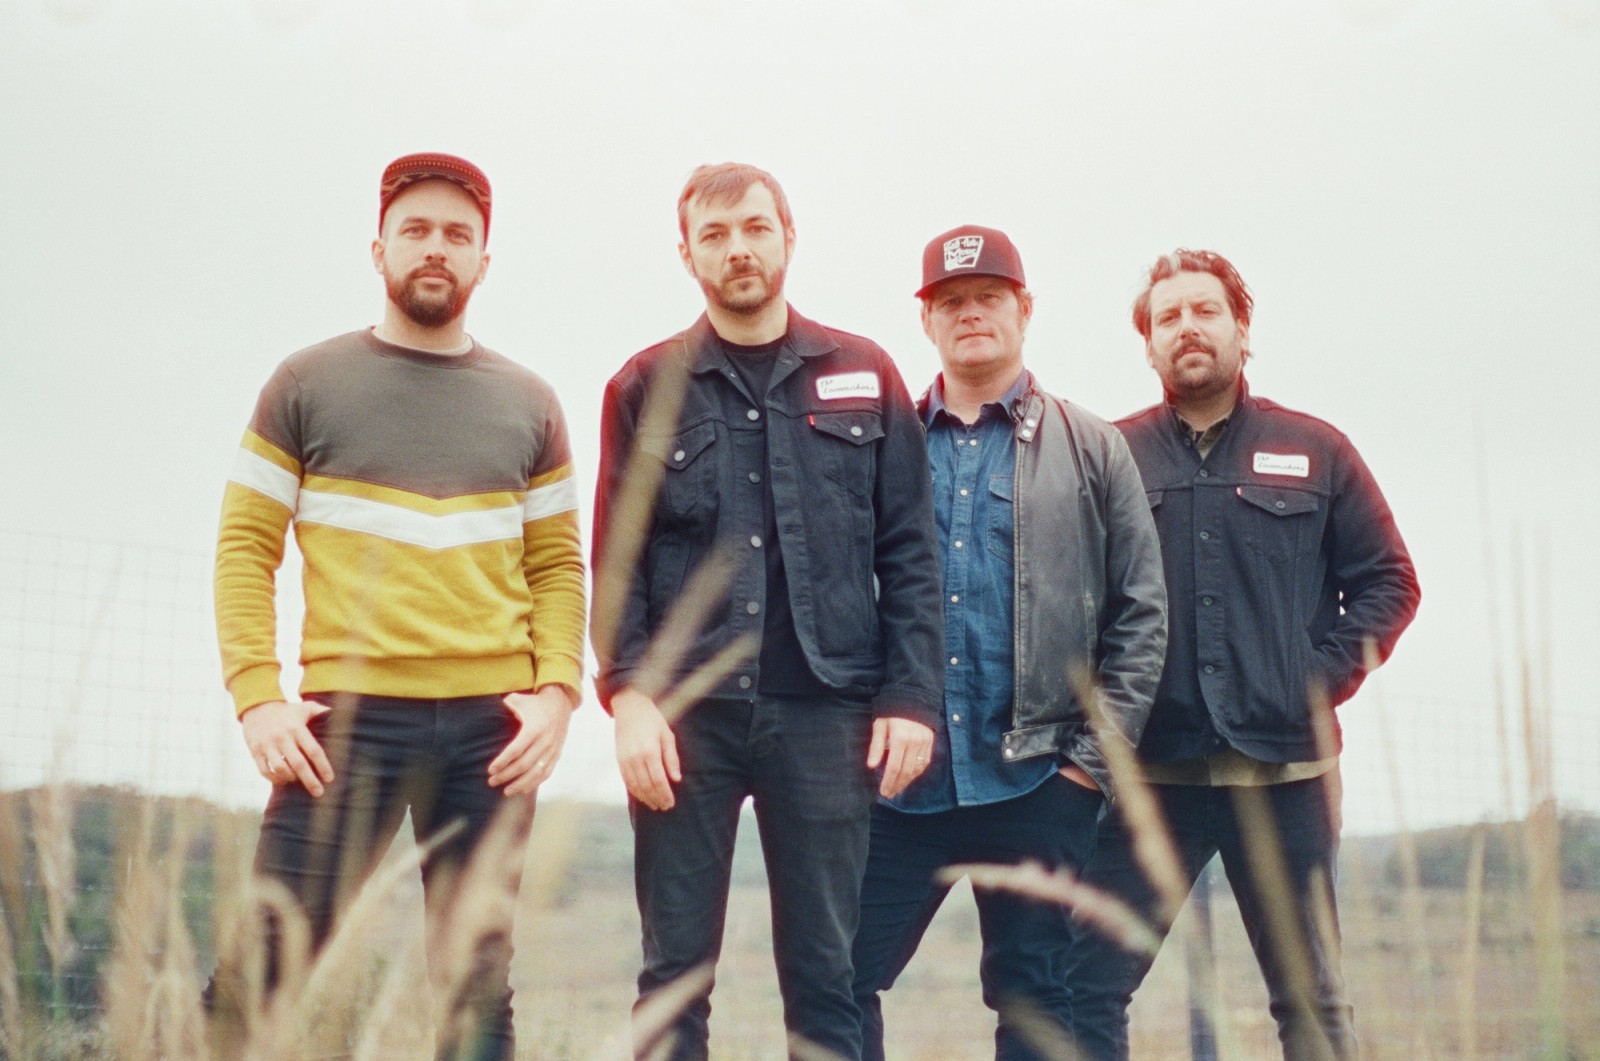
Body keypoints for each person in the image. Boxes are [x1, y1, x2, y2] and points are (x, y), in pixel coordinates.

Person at [210, 152, 585, 1061]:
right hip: (342, 725)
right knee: (257, 976)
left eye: (459, 236)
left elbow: (559, 565)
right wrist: (258, 695)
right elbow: (245, 547)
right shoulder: (305, 383)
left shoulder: (530, 403)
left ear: (483, 263)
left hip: (490, 733)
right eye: (416, 229)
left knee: (472, 995)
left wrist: (556, 693)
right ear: (378, 247)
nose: (436, 248)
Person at [591, 162, 943, 1061]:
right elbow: (615, 563)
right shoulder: (644, 386)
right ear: (686, 254)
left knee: (828, 978)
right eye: (714, 235)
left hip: (829, 715)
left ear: (790, 234)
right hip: (684, 722)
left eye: (754, 227)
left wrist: (910, 697)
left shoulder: (866, 373)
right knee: (674, 976)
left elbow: (909, 551)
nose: (738, 249)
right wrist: (628, 697)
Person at [1063, 249, 1421, 1059]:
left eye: (1205, 310)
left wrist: (1314, 682)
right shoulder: (1109, 457)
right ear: (1148, 344)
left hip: (1287, 777)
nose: (1187, 328)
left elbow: (1390, 584)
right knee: (1085, 985)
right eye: (1168, 317)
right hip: (1151, 779)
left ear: (1241, 329)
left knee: (1312, 1001)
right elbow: (1072, 602)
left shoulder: (1317, 449)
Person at [849, 225, 1167, 1060]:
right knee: (838, 979)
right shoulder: (881, 445)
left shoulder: (1093, 447)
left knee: (1038, 1002)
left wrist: (1085, 769)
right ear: (926, 321)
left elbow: (1142, 616)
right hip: (898, 785)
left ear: (1024, 309)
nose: (970, 314)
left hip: (1037, 780)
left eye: (988, 296)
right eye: (950, 302)